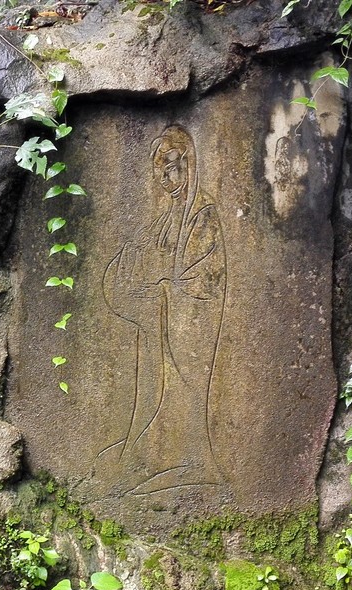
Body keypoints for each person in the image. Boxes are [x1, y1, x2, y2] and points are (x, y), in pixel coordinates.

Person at [100, 125, 226, 495]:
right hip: (158, 324)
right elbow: (142, 254)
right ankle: (145, 450)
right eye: (160, 174)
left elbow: (205, 282)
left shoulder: (202, 215)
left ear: (189, 164)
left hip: (188, 330)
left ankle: (187, 458)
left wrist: (164, 294)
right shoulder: (168, 217)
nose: (167, 181)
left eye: (172, 169)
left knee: (179, 395)